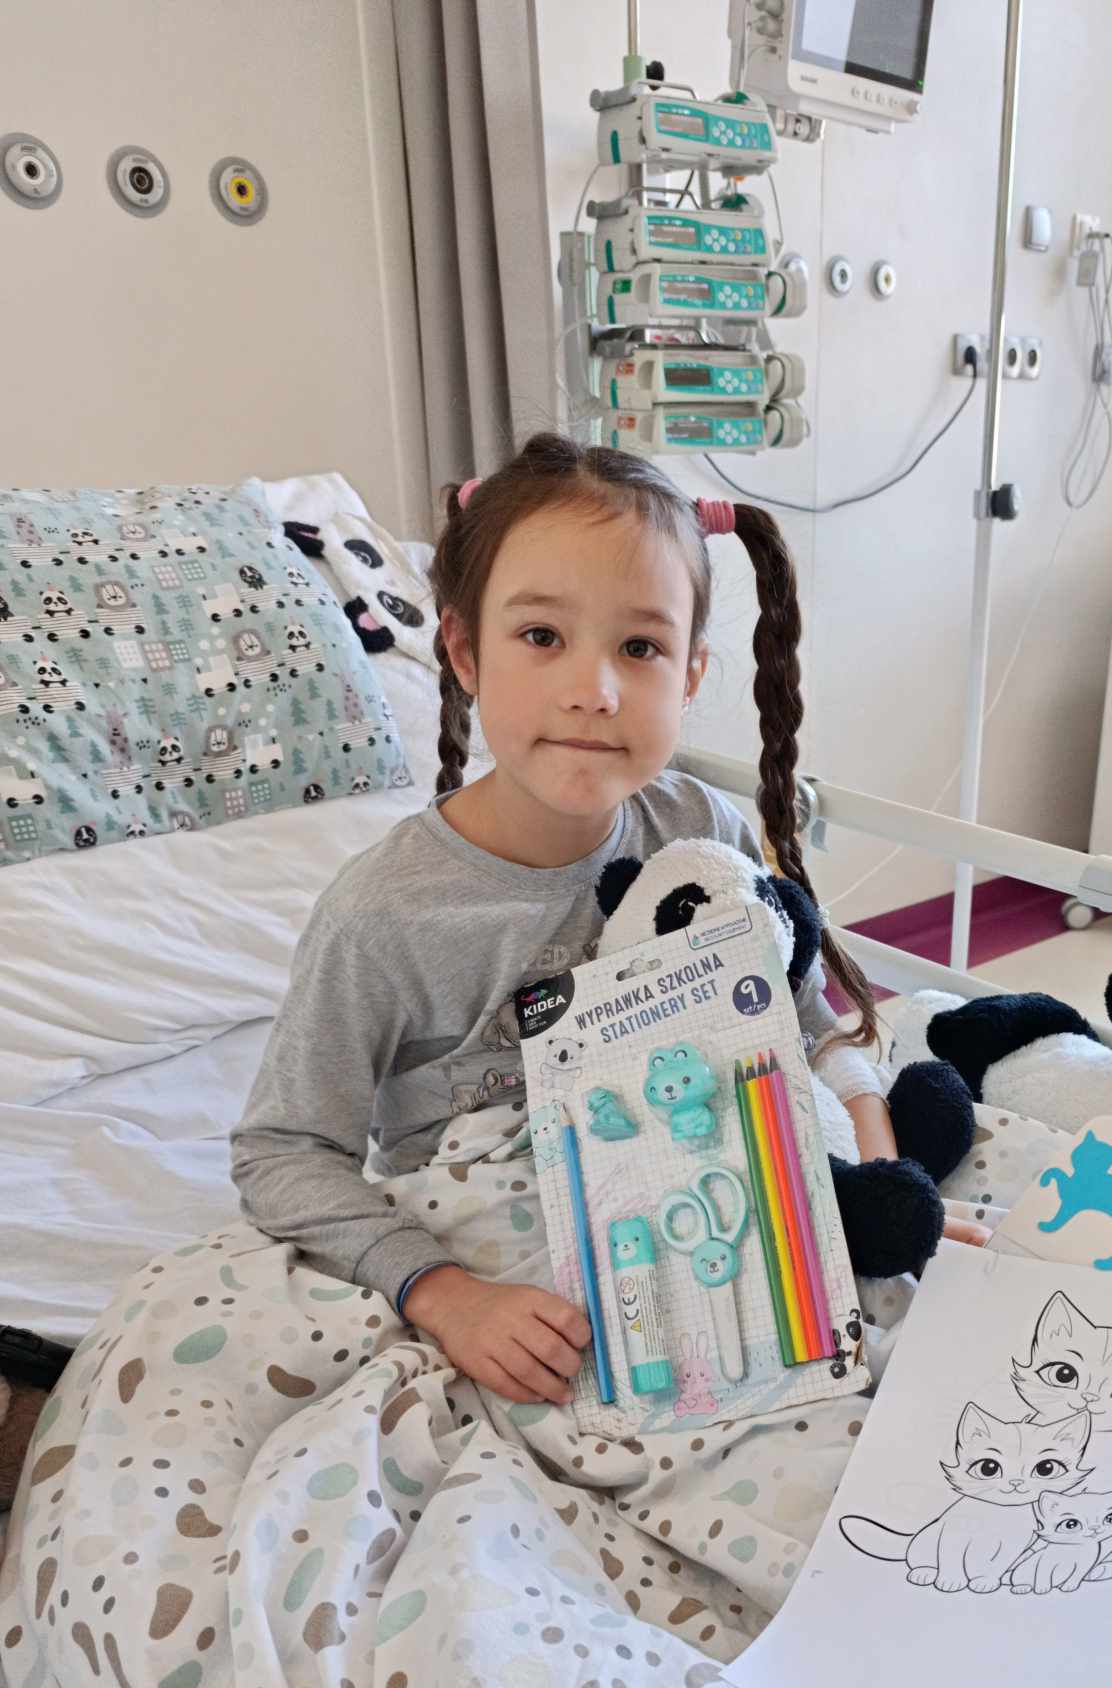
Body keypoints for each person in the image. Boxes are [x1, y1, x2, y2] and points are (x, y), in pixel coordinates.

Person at [232, 434, 983, 1409]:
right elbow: (284, 1151)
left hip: (724, 1207)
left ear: (691, 674)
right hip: (517, 1278)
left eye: (640, 647)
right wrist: (445, 1295)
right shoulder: (385, 915)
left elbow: (802, 1022)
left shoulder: (701, 833)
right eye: (542, 636)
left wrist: (880, 1174)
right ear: (463, 651)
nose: (595, 691)